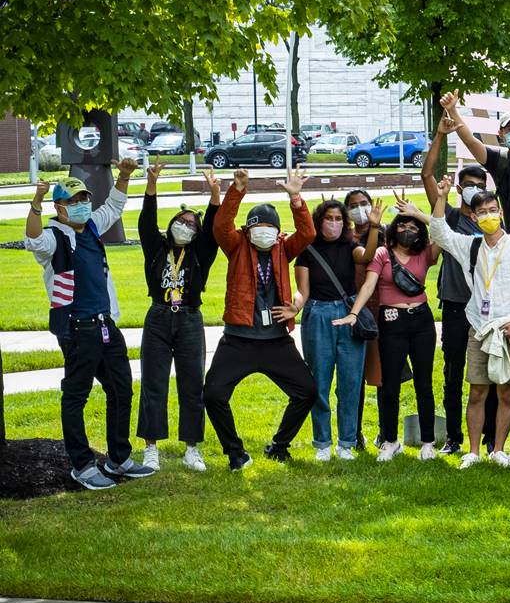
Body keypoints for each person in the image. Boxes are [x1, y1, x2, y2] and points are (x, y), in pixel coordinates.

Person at [26, 162, 157, 489]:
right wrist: (36, 203)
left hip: (105, 326)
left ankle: (118, 458)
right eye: (73, 201)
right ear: (60, 207)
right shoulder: (55, 237)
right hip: (77, 328)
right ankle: (82, 465)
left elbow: (113, 205)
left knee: (121, 388)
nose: (82, 204)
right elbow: (32, 238)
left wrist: (124, 176)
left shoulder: (93, 227)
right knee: (76, 395)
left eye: (83, 198)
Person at [203, 168, 317, 470]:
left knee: (307, 391)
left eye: (269, 226)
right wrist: (237, 190)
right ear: (248, 229)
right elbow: (220, 226)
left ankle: (279, 446)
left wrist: (295, 197)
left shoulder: (283, 247)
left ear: (277, 230)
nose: (263, 231)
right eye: (258, 226)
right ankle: (235, 453)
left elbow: (307, 233)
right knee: (213, 394)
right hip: (239, 340)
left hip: (276, 341)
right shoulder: (237, 244)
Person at [419, 188, 510, 468]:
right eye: (481, 212)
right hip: (480, 329)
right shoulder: (470, 246)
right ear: (473, 216)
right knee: (478, 391)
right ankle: (473, 451)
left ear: (501, 212)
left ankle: (499, 450)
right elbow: (439, 232)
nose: (488, 216)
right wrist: (441, 198)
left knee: (506, 392)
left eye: (492, 210)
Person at [341, 194, 442, 462]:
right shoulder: (383, 254)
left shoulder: (425, 253)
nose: (407, 230)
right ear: (393, 228)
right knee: (389, 385)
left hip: (421, 320)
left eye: (413, 227)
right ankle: (390, 440)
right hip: (390, 321)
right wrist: (354, 312)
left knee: (423, 382)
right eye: (402, 225)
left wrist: (423, 211)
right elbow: (369, 285)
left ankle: (428, 442)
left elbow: (442, 230)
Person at [135, 163, 221, 472]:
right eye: (181, 221)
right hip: (158, 317)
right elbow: (146, 221)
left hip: (189, 319)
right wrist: (151, 184)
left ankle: (192, 448)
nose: (185, 226)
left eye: (191, 224)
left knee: (192, 384)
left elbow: (212, 227)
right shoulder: (156, 248)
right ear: (172, 224)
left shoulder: (201, 253)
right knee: (153, 383)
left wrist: (214, 194)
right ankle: (151, 447)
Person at [422, 113, 497, 456]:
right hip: (454, 307)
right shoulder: (449, 217)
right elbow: (426, 174)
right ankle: (453, 437)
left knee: (492, 375)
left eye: (478, 185)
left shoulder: (493, 223)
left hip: (487, 310)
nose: (472, 190)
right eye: (466, 183)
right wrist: (440, 136)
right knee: (454, 374)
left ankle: (490, 440)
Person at [297, 195, 376, 461]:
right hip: (318, 314)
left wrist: (374, 228)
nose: (334, 223)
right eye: (329, 219)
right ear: (319, 221)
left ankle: (346, 443)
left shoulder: (350, 246)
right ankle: (322, 443)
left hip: (348, 313)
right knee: (319, 381)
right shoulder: (307, 250)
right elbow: (303, 292)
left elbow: (367, 256)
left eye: (338, 219)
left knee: (350, 383)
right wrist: (294, 307)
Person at [442, 91, 510, 240]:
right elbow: (470, 141)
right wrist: (452, 111)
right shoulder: (499, 160)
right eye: (509, 129)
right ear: (501, 134)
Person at [342, 186, 382, 448]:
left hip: (381, 311)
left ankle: (385, 431)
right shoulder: (344, 237)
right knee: (352, 376)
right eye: (353, 205)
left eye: (364, 202)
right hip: (353, 313)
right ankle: (354, 433)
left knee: (382, 376)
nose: (360, 208)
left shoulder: (387, 232)